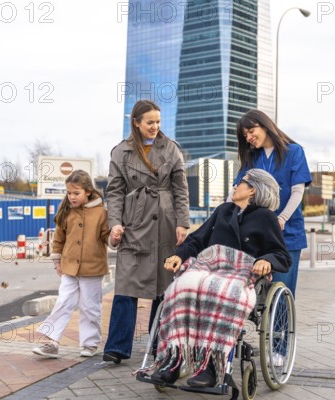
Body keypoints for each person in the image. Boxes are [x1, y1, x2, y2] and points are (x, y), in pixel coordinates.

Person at [147, 169, 291, 388]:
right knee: (181, 286)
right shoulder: (223, 210)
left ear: (252, 189)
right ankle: (173, 361)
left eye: (240, 183)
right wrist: (178, 255)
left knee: (222, 292)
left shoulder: (266, 218)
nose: (235, 186)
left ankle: (211, 367)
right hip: (210, 266)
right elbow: (197, 240)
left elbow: (281, 254)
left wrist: (267, 260)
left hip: (240, 272)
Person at [103, 99, 190, 364]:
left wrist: (182, 223)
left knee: (163, 286)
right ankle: (117, 347)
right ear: (137, 123)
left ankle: (158, 345)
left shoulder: (171, 149)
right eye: (149, 122)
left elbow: (181, 189)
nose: (155, 127)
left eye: (158, 122)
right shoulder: (121, 152)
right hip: (134, 222)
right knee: (125, 284)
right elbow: (115, 192)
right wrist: (114, 223)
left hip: (165, 221)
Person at [233, 109, 311, 298]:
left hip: (288, 234)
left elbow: (297, 191)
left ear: (265, 125)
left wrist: (282, 218)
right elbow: (236, 191)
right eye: (245, 135)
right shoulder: (252, 158)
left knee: (281, 292)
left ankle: (280, 329)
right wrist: (225, 214)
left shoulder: (293, 152)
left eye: (251, 131)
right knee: (252, 292)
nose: (249, 137)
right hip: (256, 234)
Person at [32, 170, 110, 359]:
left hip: (92, 268)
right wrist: (57, 260)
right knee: (63, 302)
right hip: (69, 267)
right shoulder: (66, 212)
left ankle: (90, 344)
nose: (72, 197)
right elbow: (58, 239)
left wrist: (115, 237)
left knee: (89, 306)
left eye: (76, 193)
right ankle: (52, 341)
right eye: (69, 193)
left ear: (88, 192)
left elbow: (107, 238)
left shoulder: (102, 213)